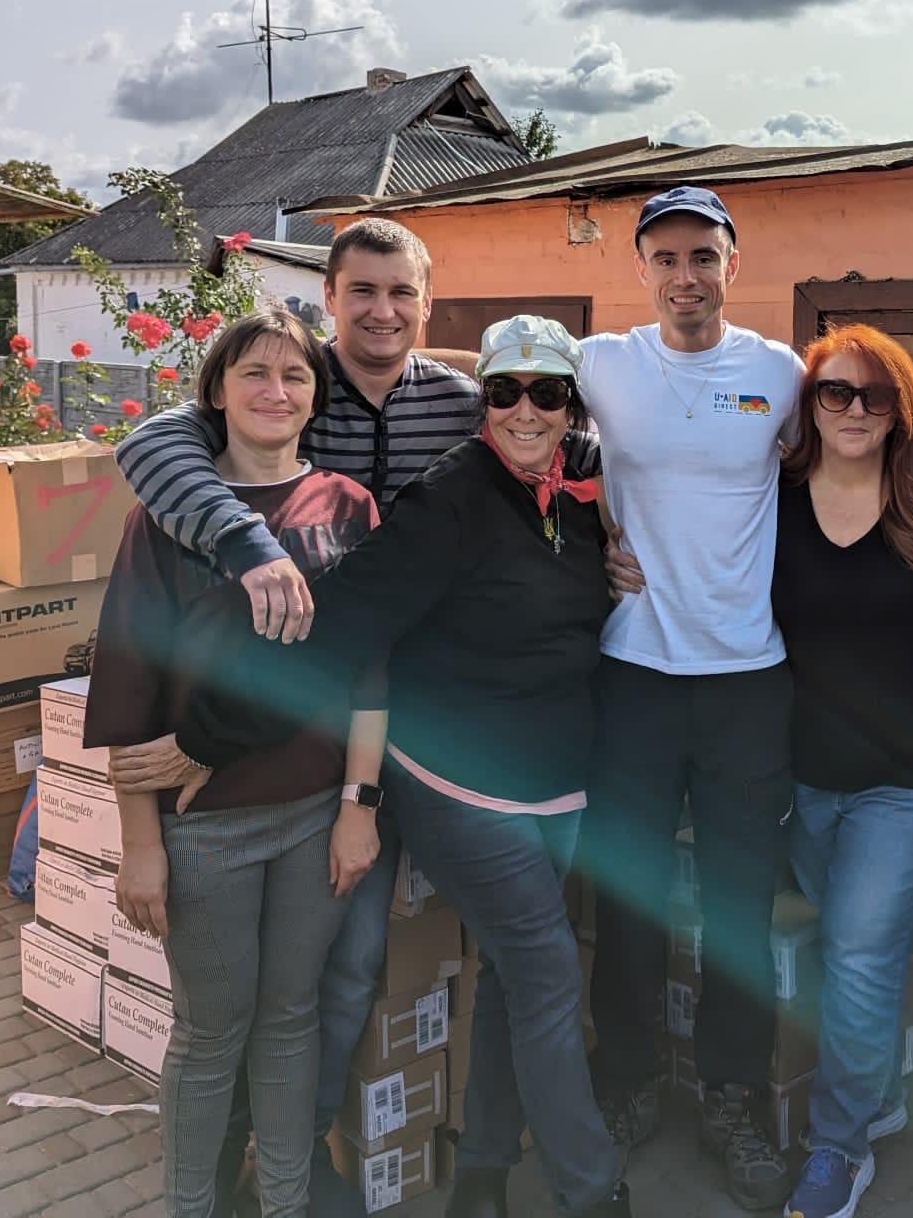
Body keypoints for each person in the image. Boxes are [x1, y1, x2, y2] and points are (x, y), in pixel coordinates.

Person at [111, 217, 481, 1212]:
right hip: (290, 731)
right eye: (363, 290)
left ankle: (291, 1163)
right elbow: (150, 441)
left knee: (326, 980)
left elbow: (552, 438)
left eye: (402, 292)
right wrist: (245, 543)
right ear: (331, 298)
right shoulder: (286, 382)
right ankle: (241, 1164)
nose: (383, 311)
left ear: (428, 303)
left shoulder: (460, 404)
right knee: (291, 990)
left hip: (398, 720)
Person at [285, 314, 629, 1218]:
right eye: (505, 390)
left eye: (548, 392)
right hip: (457, 778)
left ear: (572, 403)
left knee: (517, 978)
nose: (526, 410)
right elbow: (342, 621)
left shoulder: (580, 483)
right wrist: (215, 720)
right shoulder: (448, 498)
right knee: (547, 972)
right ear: (484, 398)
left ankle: (481, 1173)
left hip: (556, 774)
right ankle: (592, 1188)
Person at [83, 306, 384, 1218]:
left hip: (314, 818)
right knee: (212, 1034)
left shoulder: (347, 508)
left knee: (292, 1022)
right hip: (204, 833)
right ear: (216, 390)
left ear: (316, 398)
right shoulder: (166, 520)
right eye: (254, 372)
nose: (275, 392)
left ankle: (285, 1203)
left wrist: (358, 806)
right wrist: (141, 844)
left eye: (294, 376)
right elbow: (129, 681)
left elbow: (370, 676)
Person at [579, 186, 804, 1212]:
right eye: (665, 258)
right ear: (640, 270)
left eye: (703, 256)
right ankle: (627, 1082)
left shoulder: (779, 374)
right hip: (632, 671)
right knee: (628, 895)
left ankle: (733, 1096)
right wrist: (592, 545)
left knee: (738, 905)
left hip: (747, 678)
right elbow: (507, 420)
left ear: (732, 265)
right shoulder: (600, 364)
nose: (685, 276)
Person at [772, 325, 913, 1218]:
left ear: (901, 411)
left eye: (874, 395)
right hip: (808, 774)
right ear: (809, 405)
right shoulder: (771, 500)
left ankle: (838, 1149)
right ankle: (880, 1091)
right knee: (852, 945)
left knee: (856, 954)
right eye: (835, 392)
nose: (854, 408)